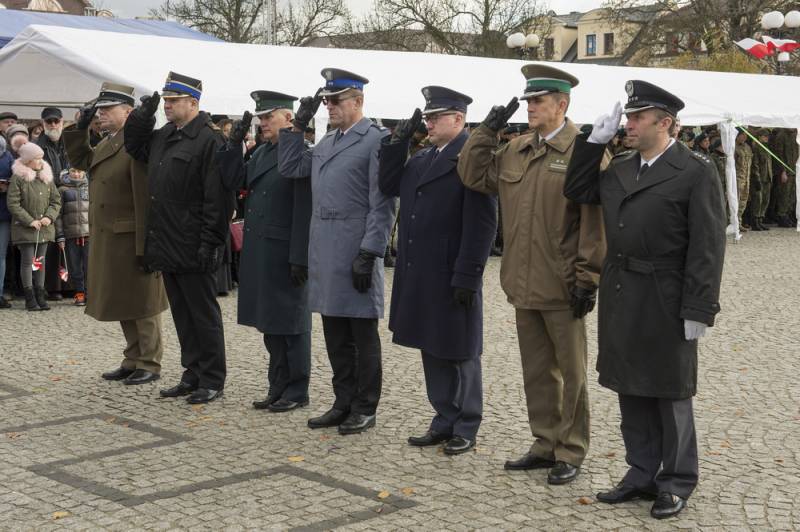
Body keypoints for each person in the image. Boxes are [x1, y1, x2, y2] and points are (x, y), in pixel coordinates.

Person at [564, 80, 725, 520]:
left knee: (670, 392)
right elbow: (578, 190)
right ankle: (641, 472)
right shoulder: (620, 166)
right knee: (630, 386)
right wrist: (591, 143)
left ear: (665, 123)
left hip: (666, 293)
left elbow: (707, 246)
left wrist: (699, 307)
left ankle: (676, 480)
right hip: (622, 290)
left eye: (638, 118)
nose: (628, 124)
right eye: (629, 117)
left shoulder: (694, 170)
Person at [458, 65, 606, 484]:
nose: (530, 108)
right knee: (537, 372)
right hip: (523, 281)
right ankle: (545, 443)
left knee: (572, 373)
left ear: (562, 104)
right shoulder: (517, 149)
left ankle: (570, 449)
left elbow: (594, 223)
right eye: (528, 101)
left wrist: (588, 278)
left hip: (563, 283)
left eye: (538, 101)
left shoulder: (584, 151)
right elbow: (472, 175)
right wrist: (485, 132)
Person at [379, 86, 496, 454]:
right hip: (421, 271)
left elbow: (482, 224)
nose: (427, 123)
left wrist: (469, 274)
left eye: (435, 117)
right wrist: (397, 142)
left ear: (458, 119)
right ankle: (444, 417)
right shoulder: (422, 158)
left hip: (452, 271)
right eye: (426, 117)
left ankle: (467, 423)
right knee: (431, 346)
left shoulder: (471, 158)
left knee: (461, 351)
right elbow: (388, 184)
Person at [278, 68, 395, 435]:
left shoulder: (375, 140)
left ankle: (365, 406)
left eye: (335, 100)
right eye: (326, 101)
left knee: (362, 335)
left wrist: (370, 251)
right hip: (326, 250)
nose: (328, 106)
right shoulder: (327, 141)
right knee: (335, 335)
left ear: (358, 101)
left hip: (354, 248)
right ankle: (342, 401)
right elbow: (290, 166)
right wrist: (297, 126)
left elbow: (383, 203)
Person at [124, 72, 231, 403]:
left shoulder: (209, 140)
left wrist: (211, 243)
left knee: (204, 315)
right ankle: (192, 373)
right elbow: (135, 146)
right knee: (183, 316)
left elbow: (218, 198)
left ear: (193, 103)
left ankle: (212, 378)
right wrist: (142, 117)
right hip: (167, 240)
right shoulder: (165, 135)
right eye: (166, 101)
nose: (167, 106)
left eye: (173, 101)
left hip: (194, 242)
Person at [64, 82, 169, 386]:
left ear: (128, 112)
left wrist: (148, 244)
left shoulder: (135, 144)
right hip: (111, 236)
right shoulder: (110, 142)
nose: (101, 114)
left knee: (144, 303)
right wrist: (79, 129)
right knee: (123, 299)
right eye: (99, 110)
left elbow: (144, 198)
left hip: (131, 235)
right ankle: (133, 358)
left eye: (108, 109)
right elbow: (82, 160)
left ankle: (149, 362)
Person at [216, 91, 313, 412]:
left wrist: (300, 256)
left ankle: (297, 389)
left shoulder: (301, 154)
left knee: (292, 324)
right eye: (260, 118)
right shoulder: (261, 152)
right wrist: (233, 144)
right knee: (271, 323)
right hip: (262, 249)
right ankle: (278, 384)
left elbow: (304, 210)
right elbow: (234, 179)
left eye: (269, 117)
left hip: (285, 251)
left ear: (289, 118)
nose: (263, 123)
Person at [6, 142, 61, 311]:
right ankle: (29, 297)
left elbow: (56, 201)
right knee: (28, 261)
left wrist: (49, 217)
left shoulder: (46, 177)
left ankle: (40, 294)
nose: (40, 161)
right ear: (27, 160)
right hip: (25, 228)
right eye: (37, 158)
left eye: (41, 158)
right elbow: (13, 204)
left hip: (43, 228)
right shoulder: (18, 178)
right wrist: (30, 221)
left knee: (40, 262)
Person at [36, 107, 69, 301]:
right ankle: (52, 287)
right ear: (43, 123)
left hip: (71, 197)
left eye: (56, 121)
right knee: (50, 245)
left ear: (62, 121)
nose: (53, 125)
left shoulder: (70, 142)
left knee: (71, 242)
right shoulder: (37, 147)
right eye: (49, 121)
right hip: (48, 198)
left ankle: (72, 286)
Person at [54, 167, 90, 305]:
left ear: (84, 172)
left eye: (79, 171)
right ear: (69, 172)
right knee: (75, 268)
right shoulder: (62, 190)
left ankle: (89, 294)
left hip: (88, 234)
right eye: (73, 171)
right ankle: (79, 293)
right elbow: (58, 215)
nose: (76, 174)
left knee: (89, 267)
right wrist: (60, 235)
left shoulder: (90, 188)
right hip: (71, 235)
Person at [772, 128, 798, 228]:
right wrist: (782, 171)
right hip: (786, 171)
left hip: (794, 170)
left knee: (792, 194)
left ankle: (788, 214)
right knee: (784, 194)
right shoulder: (781, 136)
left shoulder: (795, 134)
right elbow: (779, 155)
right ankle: (782, 215)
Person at [748, 128, 772, 232]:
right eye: (764, 136)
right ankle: (755, 220)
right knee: (758, 200)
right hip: (759, 178)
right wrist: (757, 178)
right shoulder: (756, 147)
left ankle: (760, 219)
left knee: (765, 200)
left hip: (767, 177)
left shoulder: (765, 147)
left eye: (767, 136)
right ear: (759, 137)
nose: (766, 138)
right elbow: (755, 164)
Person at [0, 136, 13, 309]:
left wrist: (7, 185)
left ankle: (0, 293)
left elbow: (17, 180)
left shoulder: (8, 156)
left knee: (1, 255)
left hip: (4, 212)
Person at [733, 128, 753, 231]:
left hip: (746, 178)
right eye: (743, 135)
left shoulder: (747, 147)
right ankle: (732, 222)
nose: (745, 137)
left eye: (746, 135)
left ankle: (739, 222)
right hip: (737, 178)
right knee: (735, 201)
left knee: (743, 202)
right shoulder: (733, 147)